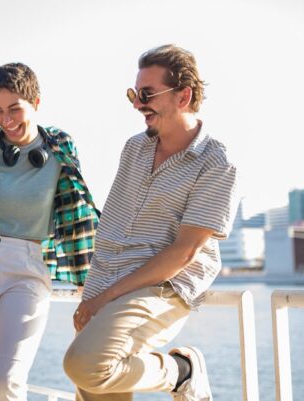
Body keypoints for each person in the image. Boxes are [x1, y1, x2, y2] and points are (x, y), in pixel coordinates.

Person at [62, 44, 238, 401]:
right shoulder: (133, 149)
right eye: (134, 94)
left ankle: (180, 372)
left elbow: (184, 252)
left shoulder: (216, 163)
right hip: (106, 281)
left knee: (85, 365)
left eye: (147, 94)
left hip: (161, 287)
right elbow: (113, 225)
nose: (138, 104)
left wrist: (104, 299)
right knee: (94, 385)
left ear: (183, 96)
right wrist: (93, 290)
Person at [0, 62, 99, 401]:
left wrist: (91, 281)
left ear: (35, 103)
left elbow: (77, 214)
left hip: (27, 268)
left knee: (6, 378)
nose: (6, 120)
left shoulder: (61, 148)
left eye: (14, 109)